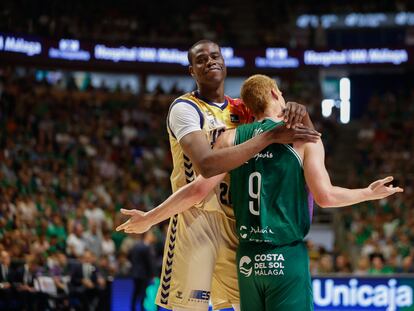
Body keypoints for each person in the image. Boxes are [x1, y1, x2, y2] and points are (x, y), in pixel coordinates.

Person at [117, 74, 403, 310]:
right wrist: (366, 193)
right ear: (277, 94)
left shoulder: (230, 138)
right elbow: (326, 197)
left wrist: (151, 218)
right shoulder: (304, 139)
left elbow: (197, 190)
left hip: (248, 261)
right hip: (285, 256)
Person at [118, 40, 320, 311]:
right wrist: (151, 218)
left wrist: (300, 112)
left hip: (236, 220)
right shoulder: (185, 109)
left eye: (216, 56)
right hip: (196, 218)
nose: (210, 61)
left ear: (224, 63)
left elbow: (297, 135)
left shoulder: (242, 110)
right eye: (201, 59)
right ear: (192, 71)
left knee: (242, 305)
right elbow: (207, 164)